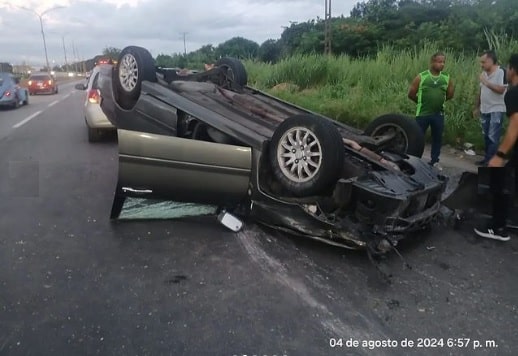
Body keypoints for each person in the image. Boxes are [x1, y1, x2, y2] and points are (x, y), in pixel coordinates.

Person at [474, 53, 518, 241]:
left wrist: (499, 154)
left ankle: (498, 228)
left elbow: (515, 126)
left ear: (512, 69)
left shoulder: (514, 92)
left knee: (500, 181)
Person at [408, 52, 455, 171]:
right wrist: (421, 102)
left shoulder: (446, 78)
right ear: (432, 62)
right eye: (439, 61)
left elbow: (450, 94)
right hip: (423, 113)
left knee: (437, 138)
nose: (442, 64)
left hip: (438, 114)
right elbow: (411, 94)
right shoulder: (422, 76)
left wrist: (439, 101)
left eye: (443, 62)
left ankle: (434, 161)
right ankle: (413, 159)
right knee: (417, 137)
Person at [473, 50, 507, 166]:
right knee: (486, 136)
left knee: (493, 136)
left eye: (484, 62)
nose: (482, 65)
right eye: (481, 62)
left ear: (492, 61)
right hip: (485, 109)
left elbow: (501, 90)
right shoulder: (484, 74)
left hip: (496, 109)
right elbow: (480, 91)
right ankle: (487, 158)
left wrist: (486, 82)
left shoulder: (501, 72)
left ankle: (490, 161)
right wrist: (476, 107)